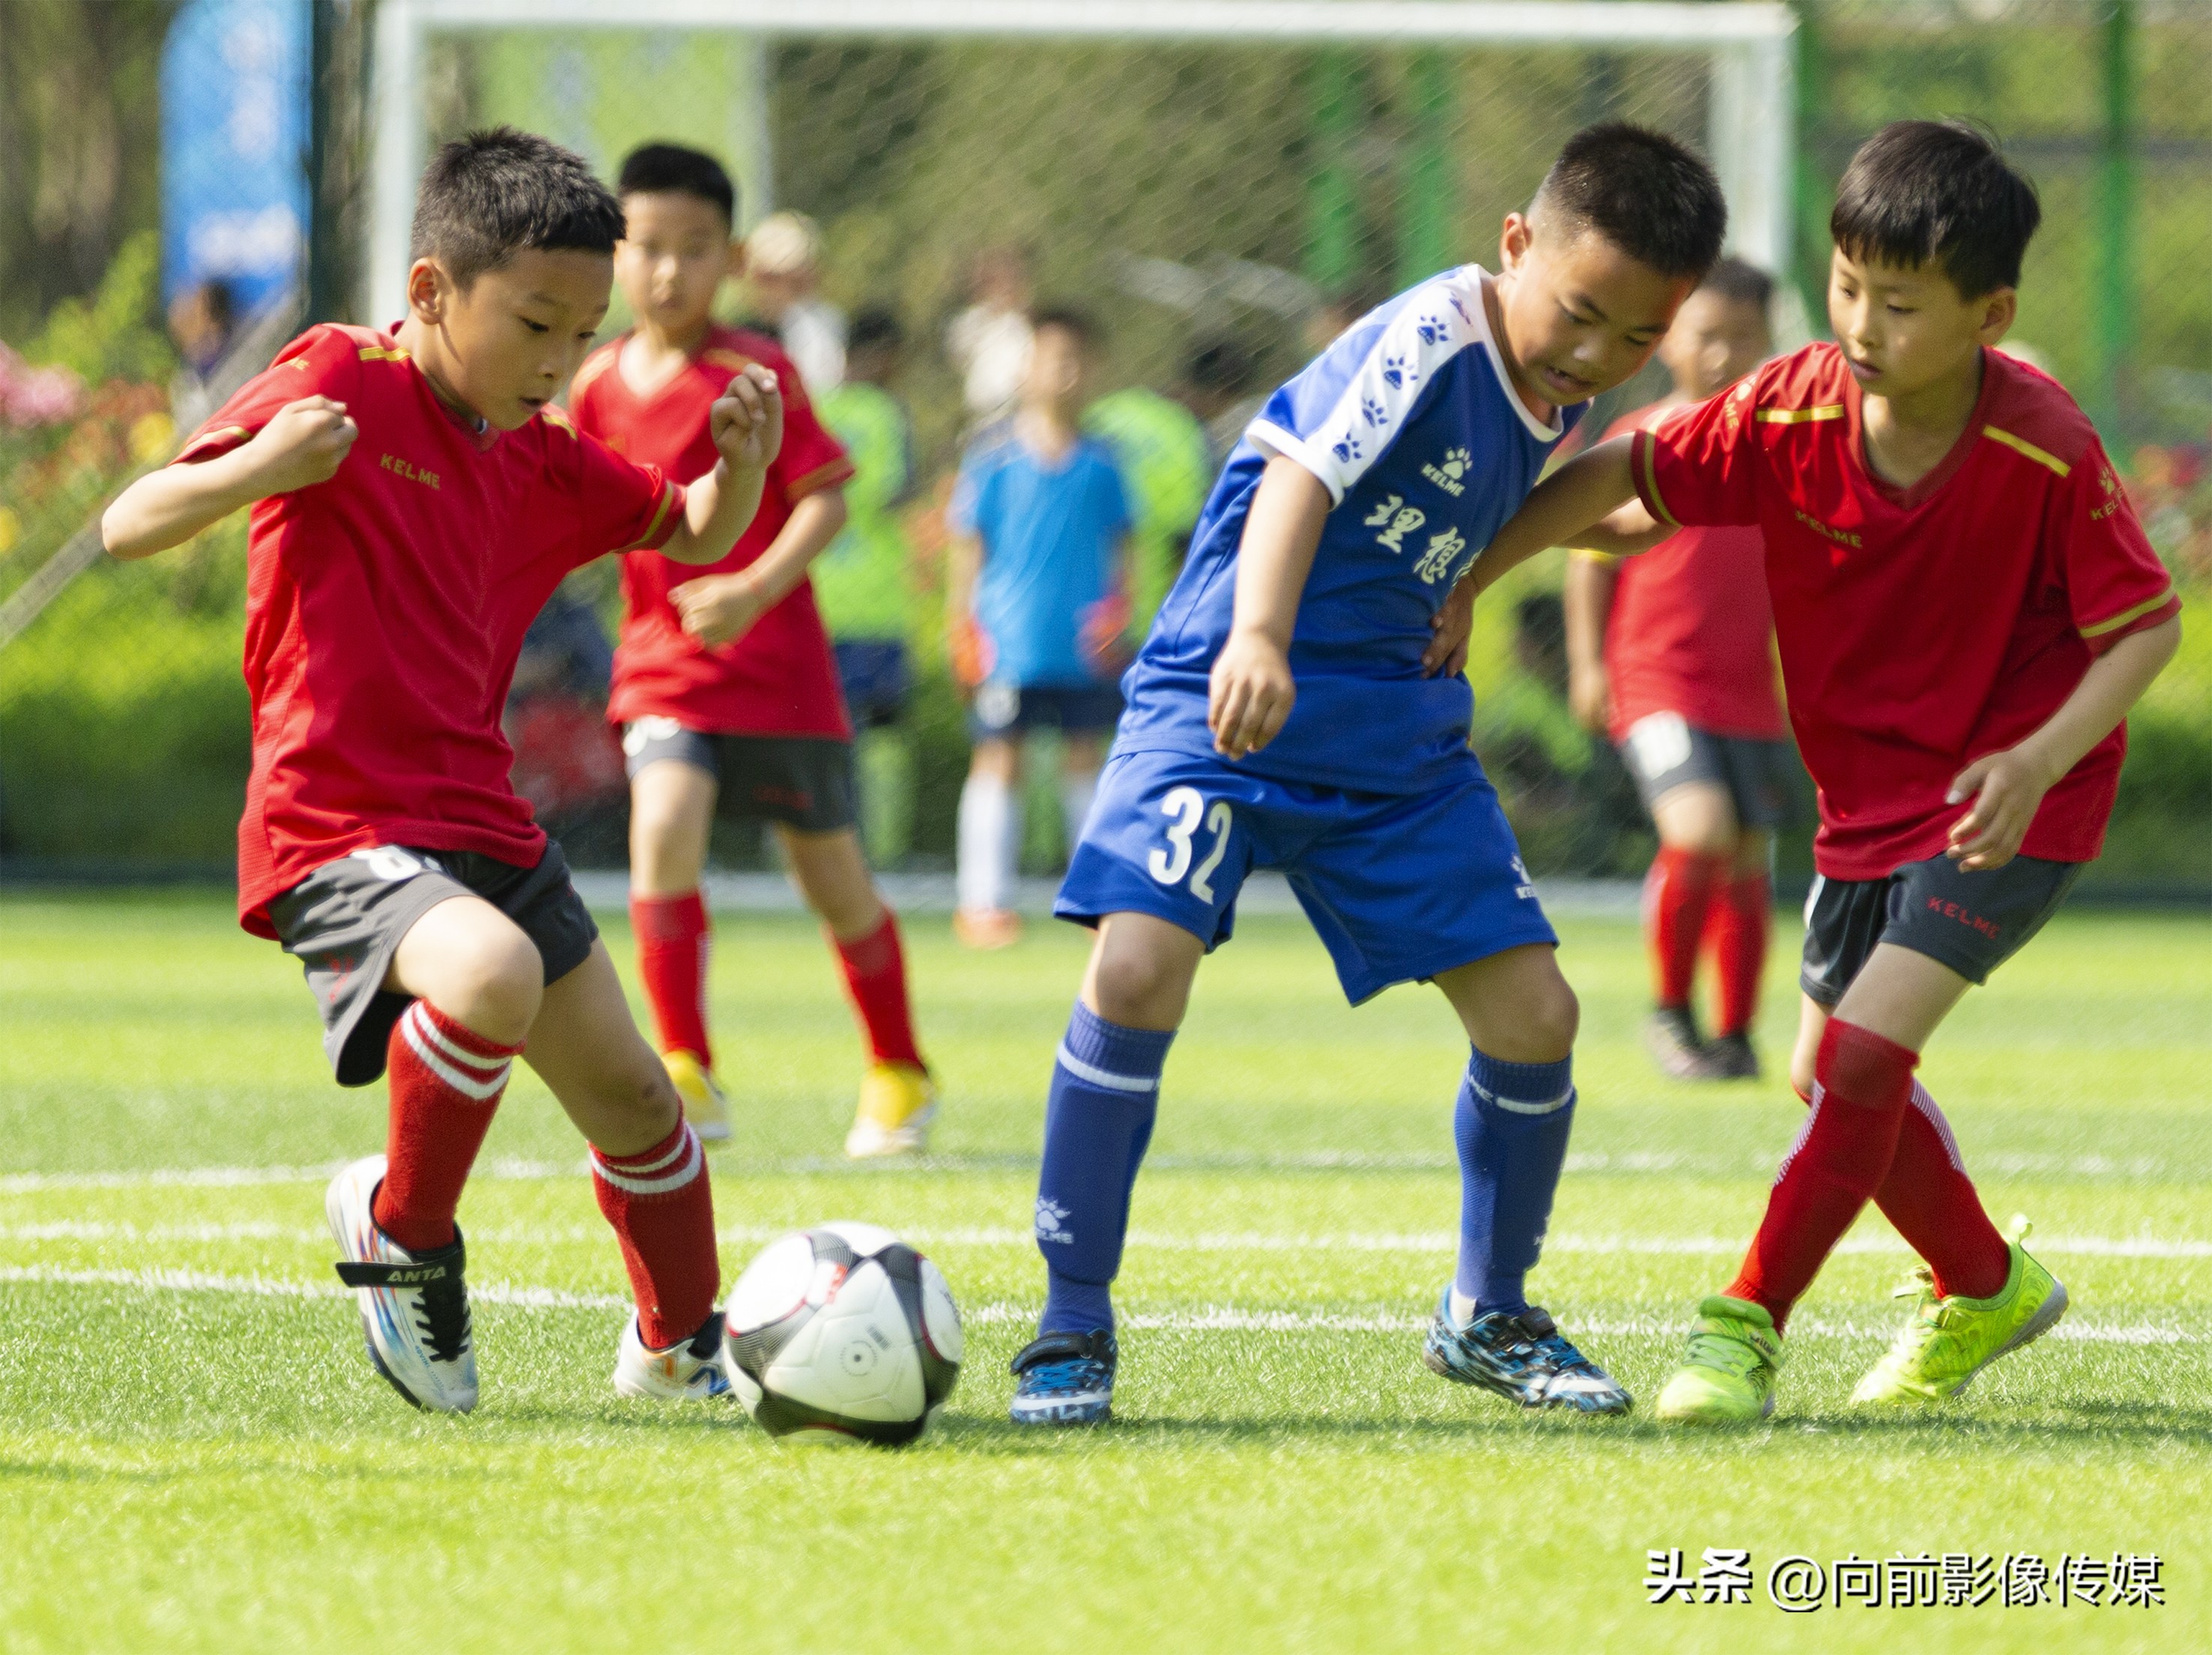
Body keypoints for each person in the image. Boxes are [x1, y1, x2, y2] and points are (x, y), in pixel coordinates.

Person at [1447, 121, 2181, 1423]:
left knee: (1852, 1057)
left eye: (1897, 303)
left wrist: (2036, 754)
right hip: (1866, 805)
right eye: (1844, 285)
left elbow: (2143, 626)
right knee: (1821, 1069)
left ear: (1989, 315)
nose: (1858, 323)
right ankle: (1983, 1280)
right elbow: (1629, 475)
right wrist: (1473, 567)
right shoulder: (1789, 407)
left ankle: (1739, 1327)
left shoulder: (2041, 446)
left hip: (2008, 803)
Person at [1005, 124, 1730, 1426]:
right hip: (1224, 694)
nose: (1592, 353)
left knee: (1536, 1017)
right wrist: (1261, 634)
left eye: (1634, 338)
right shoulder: (1432, 331)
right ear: (1515, 243)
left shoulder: (1565, 387)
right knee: (1135, 966)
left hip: (1391, 727)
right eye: (1576, 312)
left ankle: (1487, 1308)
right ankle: (1068, 1323)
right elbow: (1297, 470)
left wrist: (1477, 570)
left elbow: (1587, 492)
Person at [100, 127, 786, 1414]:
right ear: (429, 291)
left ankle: (678, 1340)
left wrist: (738, 462)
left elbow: (693, 526)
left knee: (641, 1099)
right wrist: (260, 466)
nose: (558, 360)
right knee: (489, 972)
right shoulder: (341, 378)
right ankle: (402, 1230)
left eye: (581, 334)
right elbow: (129, 521)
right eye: (535, 322)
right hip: (335, 819)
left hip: (483, 824)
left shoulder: (536, 449)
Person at [576, 144, 936, 1161]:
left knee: (833, 882)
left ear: (730, 259)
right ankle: (686, 1070)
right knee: (664, 825)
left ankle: (899, 1069)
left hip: (780, 677)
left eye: (694, 251)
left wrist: (751, 588)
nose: (666, 273)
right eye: (646, 248)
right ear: (617, 253)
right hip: (661, 663)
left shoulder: (758, 370)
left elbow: (826, 495)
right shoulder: (595, 381)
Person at [1563, 257, 1790, 1081]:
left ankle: (1733, 1035)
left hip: (1748, 691)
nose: (1725, 354)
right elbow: (1589, 556)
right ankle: (1669, 1014)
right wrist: (1589, 666)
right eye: (1707, 334)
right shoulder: (1645, 437)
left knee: (1748, 856)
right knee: (1698, 833)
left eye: (1744, 337)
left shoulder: (1784, 450)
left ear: (1772, 342)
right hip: (1656, 679)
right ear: (1667, 341)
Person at [948, 306, 1133, 950]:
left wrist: (1119, 612)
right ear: (1027, 368)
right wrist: (962, 627)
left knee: (1088, 762)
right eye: (1053, 358)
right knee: (1001, 760)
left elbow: (1122, 547)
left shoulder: (1105, 463)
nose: (1065, 372)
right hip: (1009, 643)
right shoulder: (992, 457)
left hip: (1081, 645)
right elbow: (968, 549)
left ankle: (1098, 900)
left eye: (1077, 360)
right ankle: (983, 904)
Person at [815, 309, 922, 867]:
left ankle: (811, 846)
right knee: (883, 734)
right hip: (879, 603)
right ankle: (879, 851)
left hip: (819, 597)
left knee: (819, 731)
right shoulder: (890, 413)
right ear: (884, 355)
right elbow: (899, 491)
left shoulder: (816, 408)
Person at [1084, 348, 1213, 631]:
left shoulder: (1106, 409)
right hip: (1148, 612)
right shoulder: (1183, 428)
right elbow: (1188, 532)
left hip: (1083, 607)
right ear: (1215, 395)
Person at [742, 210, 846, 395]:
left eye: (791, 281)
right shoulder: (741, 333)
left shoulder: (820, 325)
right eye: (769, 279)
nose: (778, 290)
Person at [945, 243, 1034, 425]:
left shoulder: (1026, 323)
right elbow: (958, 356)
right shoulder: (970, 321)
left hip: (1020, 414)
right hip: (981, 416)